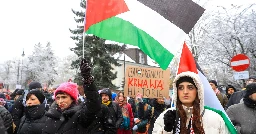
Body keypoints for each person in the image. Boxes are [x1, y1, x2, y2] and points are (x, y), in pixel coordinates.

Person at [153, 71, 230, 133]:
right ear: (176, 91)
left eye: (190, 87)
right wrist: (167, 130)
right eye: (181, 88)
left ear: (198, 90)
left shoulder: (215, 118)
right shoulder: (166, 115)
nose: (185, 92)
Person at [42, 59, 103, 134]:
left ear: (72, 99)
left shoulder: (80, 115)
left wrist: (88, 82)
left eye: (64, 97)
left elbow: (94, 105)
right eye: (58, 98)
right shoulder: (50, 116)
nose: (60, 101)